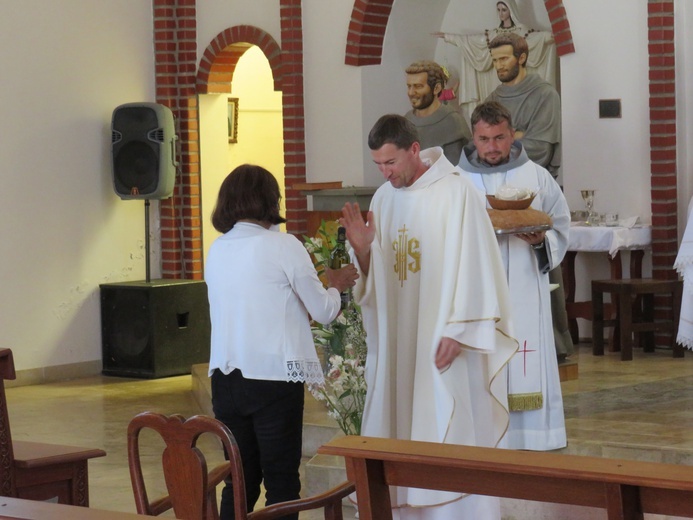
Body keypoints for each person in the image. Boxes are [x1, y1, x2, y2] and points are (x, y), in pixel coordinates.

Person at [340, 115, 517, 518]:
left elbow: (476, 265)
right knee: (400, 426)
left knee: (448, 424)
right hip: (400, 345)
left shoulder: (457, 192)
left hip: (444, 341)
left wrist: (460, 330)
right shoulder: (385, 199)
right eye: (378, 165)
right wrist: (365, 252)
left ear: (415, 150)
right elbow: (375, 285)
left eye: (391, 163)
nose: (385, 173)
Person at [205, 164, 358, 520]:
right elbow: (321, 311)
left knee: (239, 482)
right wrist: (335, 284)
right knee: (282, 483)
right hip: (273, 380)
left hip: (225, 381)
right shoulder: (283, 245)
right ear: (270, 200)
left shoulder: (218, 249)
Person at [458, 101, 569, 451]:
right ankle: (485, 436)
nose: (492, 147)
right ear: (473, 138)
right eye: (484, 138)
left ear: (512, 135)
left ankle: (531, 437)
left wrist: (541, 241)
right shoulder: (457, 181)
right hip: (478, 293)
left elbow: (561, 226)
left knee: (524, 354)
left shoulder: (536, 176)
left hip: (524, 284)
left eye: (500, 138)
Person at [486, 31, 573, 362]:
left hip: (533, 190)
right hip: (493, 190)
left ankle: (554, 340)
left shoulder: (544, 94)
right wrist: (516, 136)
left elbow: (540, 146)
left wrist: (514, 141)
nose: (499, 65)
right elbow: (486, 143)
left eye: (505, 58)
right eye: (494, 60)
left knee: (536, 263)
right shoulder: (492, 97)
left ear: (522, 58)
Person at [434, 0, 556, 121]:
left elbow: (535, 38)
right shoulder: (493, 35)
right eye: (498, 10)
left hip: (516, 82)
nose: (501, 13)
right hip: (496, 79)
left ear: (511, 10)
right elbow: (472, 41)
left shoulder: (521, 32)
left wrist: (549, 36)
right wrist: (448, 37)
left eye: (504, 10)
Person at [404, 60, 471, 165]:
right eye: (409, 86)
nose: (411, 92)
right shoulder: (406, 121)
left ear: (436, 88)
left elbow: (457, 169)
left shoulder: (452, 122)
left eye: (418, 86)